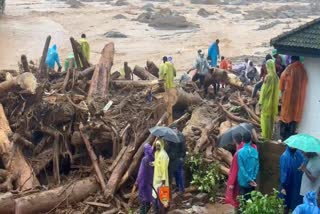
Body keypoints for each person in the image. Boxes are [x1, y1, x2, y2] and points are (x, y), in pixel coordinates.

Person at [225, 132, 257, 208]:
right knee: (250, 198)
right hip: (252, 178)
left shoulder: (239, 153)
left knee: (242, 199)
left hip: (243, 180)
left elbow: (236, 169)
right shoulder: (254, 148)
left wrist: (231, 183)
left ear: (235, 140)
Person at [279, 56, 308, 141]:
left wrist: (282, 92)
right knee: (294, 118)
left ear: (292, 60)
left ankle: (284, 137)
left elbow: (282, 80)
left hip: (288, 99)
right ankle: (291, 138)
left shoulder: (289, 68)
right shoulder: (303, 70)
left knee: (285, 117)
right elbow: (305, 81)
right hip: (298, 100)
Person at [259, 59, 280, 140]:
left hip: (266, 102)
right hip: (273, 103)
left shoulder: (268, 77)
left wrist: (260, 102)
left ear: (268, 67)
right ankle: (269, 135)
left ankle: (265, 136)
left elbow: (263, 91)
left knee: (265, 119)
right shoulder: (276, 77)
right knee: (271, 119)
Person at [280, 147, 304, 213]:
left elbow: (303, 162)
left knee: (294, 204)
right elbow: (284, 173)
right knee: (286, 205)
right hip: (288, 184)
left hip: (296, 183)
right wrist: (283, 186)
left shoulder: (298, 153)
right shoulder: (285, 156)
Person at [237, 132, 259, 201]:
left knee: (243, 200)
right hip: (252, 181)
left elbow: (241, 168)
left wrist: (248, 179)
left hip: (243, 181)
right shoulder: (255, 151)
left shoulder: (240, 152)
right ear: (251, 140)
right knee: (250, 199)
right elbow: (257, 166)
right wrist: (253, 178)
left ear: (243, 140)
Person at [165, 127, 186, 194]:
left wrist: (182, 158)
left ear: (177, 129)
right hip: (172, 159)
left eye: (175, 130)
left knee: (179, 174)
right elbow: (168, 148)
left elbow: (183, 149)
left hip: (178, 159)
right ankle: (177, 187)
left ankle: (181, 189)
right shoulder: (170, 137)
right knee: (175, 174)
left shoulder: (180, 137)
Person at [136, 144, 154, 214]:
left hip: (144, 181)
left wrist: (138, 180)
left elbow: (141, 171)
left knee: (143, 199)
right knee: (149, 197)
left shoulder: (144, 159)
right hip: (150, 181)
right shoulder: (153, 158)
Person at [153, 139, 170, 213]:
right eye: (156, 145)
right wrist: (153, 163)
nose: (157, 147)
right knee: (156, 194)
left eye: (158, 145)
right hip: (156, 177)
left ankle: (162, 210)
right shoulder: (157, 153)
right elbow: (157, 162)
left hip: (161, 178)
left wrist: (163, 180)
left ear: (162, 145)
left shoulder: (163, 155)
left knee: (162, 195)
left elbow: (163, 168)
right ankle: (158, 209)